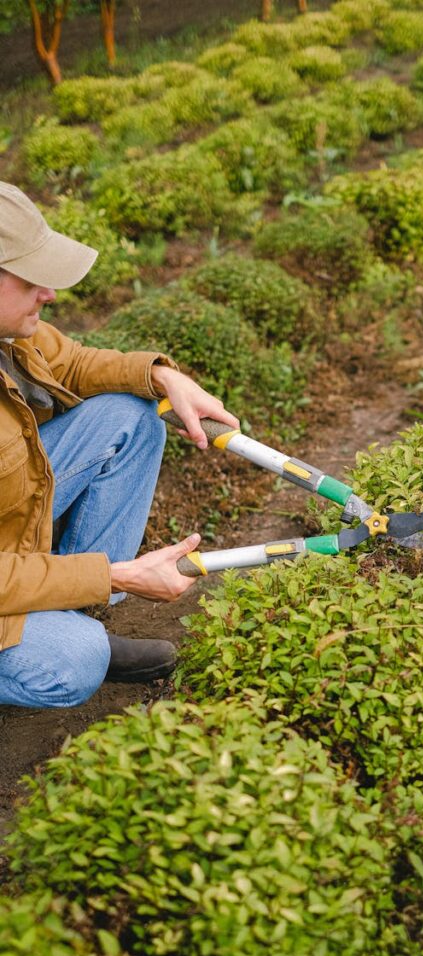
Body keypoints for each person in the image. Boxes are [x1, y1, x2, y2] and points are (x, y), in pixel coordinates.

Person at [0, 181, 239, 708]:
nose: (51, 294)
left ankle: (57, 613)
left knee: (129, 415)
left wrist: (161, 378)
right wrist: (108, 574)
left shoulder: (8, 332)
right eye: (32, 278)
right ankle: (54, 636)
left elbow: (73, 361)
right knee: (76, 660)